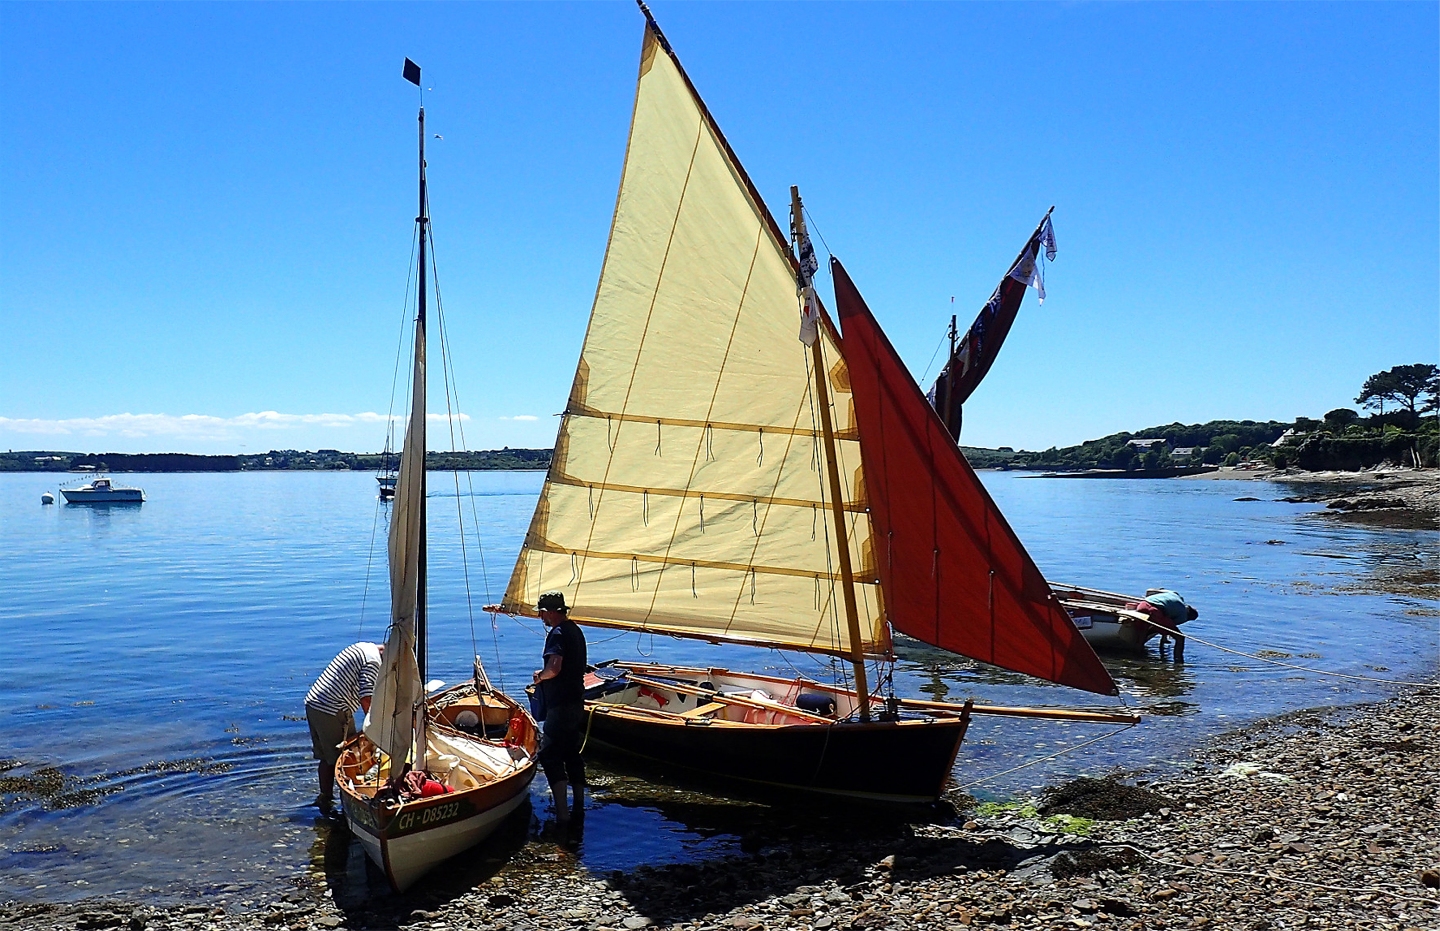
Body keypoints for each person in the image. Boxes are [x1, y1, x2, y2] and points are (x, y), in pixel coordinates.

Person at [305, 641, 383, 816]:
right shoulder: (373, 662)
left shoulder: (364, 647)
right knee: (347, 758)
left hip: (315, 703)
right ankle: (351, 807)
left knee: (326, 758)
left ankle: (325, 799)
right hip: (332, 709)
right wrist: (377, 728)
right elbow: (366, 699)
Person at [532, 590, 586, 823]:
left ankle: (563, 813)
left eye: (542, 613)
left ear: (551, 612)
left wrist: (540, 677)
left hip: (560, 704)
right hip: (576, 701)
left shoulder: (558, 634)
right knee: (572, 752)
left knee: (550, 754)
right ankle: (580, 805)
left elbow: (554, 667)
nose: (541, 617)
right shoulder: (575, 630)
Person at [1134, 590, 1198, 662]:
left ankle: (1136, 652)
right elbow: (1168, 628)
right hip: (1155, 611)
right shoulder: (1183, 615)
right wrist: (1163, 637)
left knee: (1144, 630)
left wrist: (1163, 639)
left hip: (1142, 605)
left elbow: (1166, 623)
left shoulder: (1175, 595)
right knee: (1180, 638)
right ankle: (1178, 660)